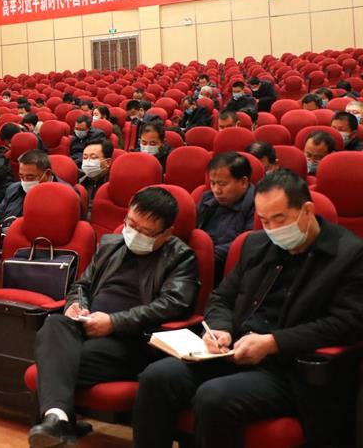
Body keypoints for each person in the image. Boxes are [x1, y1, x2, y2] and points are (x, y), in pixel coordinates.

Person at [133, 170, 363, 448]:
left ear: (307, 210)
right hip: (234, 352)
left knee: (213, 396)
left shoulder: (349, 254)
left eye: (280, 219)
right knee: (156, 377)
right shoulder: (256, 244)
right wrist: (221, 329)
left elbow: (347, 323)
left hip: (289, 368)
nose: (273, 229)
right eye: (264, 220)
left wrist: (273, 342)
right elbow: (221, 297)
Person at [28, 187, 199, 446]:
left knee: (55, 359)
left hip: (132, 340)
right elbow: (81, 285)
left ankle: (59, 421)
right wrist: (76, 305)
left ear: (166, 234)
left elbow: (172, 304)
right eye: (131, 223)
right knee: (54, 324)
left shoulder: (181, 257)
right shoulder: (111, 244)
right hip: (88, 325)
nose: (134, 234)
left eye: (145, 231)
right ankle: (58, 418)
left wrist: (114, 322)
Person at [197, 152, 255, 275]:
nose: (216, 190)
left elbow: (245, 246)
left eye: (222, 184)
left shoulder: (257, 205)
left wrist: (203, 256)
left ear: (243, 182)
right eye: (213, 183)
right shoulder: (207, 198)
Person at [0, 150, 59, 228]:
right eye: (21, 176)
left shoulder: (63, 197)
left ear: (47, 173)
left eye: (30, 177)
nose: (25, 181)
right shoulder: (13, 188)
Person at [78, 139, 113, 213]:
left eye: (93, 158)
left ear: (108, 162)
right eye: (85, 158)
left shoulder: (113, 187)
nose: (88, 162)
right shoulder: (79, 183)